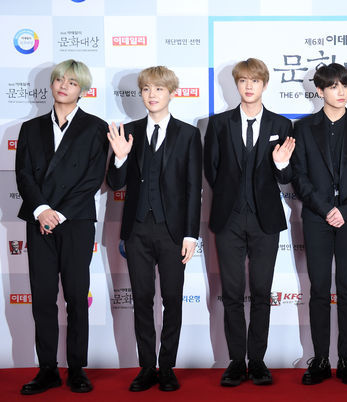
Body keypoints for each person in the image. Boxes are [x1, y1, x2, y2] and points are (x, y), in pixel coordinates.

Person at [106, 66, 202, 392]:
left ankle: (167, 366)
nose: (152, 95)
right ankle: (147, 366)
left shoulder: (188, 134)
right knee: (142, 299)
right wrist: (120, 158)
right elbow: (115, 183)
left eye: (159, 89)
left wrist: (190, 235)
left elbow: (193, 189)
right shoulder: (128, 131)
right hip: (137, 231)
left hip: (173, 232)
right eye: (146, 89)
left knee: (172, 300)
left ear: (171, 93)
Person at [16, 59, 108, 394]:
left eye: (71, 82)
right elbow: (24, 174)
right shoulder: (30, 128)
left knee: (76, 296)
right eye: (59, 80)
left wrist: (59, 214)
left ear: (82, 90)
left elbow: (92, 179)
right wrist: (42, 210)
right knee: (42, 297)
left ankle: (77, 369)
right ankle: (47, 369)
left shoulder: (96, 128)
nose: (63, 86)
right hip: (39, 220)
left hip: (76, 222)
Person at [204, 58, 295, 386]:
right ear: (236, 84)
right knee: (231, 292)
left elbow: (287, 176)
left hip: (264, 220)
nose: (248, 86)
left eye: (254, 81)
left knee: (261, 291)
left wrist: (281, 165)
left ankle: (256, 360)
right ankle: (234, 361)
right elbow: (211, 170)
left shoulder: (281, 124)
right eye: (243, 80)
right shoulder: (218, 124)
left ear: (264, 85)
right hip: (228, 219)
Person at [292, 63, 347, 386]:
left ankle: (346, 358)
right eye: (333, 86)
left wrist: (346, 209)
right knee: (318, 290)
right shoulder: (303, 129)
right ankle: (320, 359)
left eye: (345, 85)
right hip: (317, 218)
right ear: (320, 90)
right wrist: (327, 209)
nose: (341, 92)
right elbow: (298, 177)